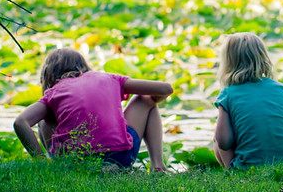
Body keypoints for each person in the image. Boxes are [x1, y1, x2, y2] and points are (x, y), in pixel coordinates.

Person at [14, 47, 173, 171]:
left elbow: (20, 122)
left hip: (74, 162)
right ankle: (158, 166)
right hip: (120, 157)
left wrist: (40, 162)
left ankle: (57, 166)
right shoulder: (108, 78)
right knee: (147, 99)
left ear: (48, 76)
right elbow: (165, 89)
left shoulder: (54, 92)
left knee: (45, 118)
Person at [213, 32, 283, 168]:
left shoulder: (227, 95)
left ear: (227, 63)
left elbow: (223, 142)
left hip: (249, 169)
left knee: (218, 136)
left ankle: (232, 171)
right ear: (263, 57)